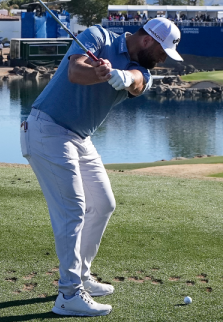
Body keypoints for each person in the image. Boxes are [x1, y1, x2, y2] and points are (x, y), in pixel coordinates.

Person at [22, 18, 182, 317]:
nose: (164, 59)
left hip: (80, 137)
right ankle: (68, 294)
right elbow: (75, 71)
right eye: (163, 51)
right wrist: (98, 73)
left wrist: (121, 75)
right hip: (48, 129)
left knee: (104, 204)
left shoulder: (145, 68)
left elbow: (137, 82)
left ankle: (81, 276)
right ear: (148, 40)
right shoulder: (97, 35)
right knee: (73, 210)